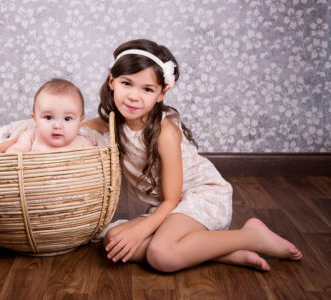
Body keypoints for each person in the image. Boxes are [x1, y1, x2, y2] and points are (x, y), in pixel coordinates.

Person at [82, 39, 302, 272]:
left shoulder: (165, 133)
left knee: (161, 255)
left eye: (147, 89)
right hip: (169, 208)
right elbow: (72, 127)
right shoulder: (111, 123)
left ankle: (250, 236)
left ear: (161, 93)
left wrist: (142, 228)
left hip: (200, 197)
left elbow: (172, 200)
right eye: (127, 83)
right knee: (114, 240)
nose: (134, 96)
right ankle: (220, 253)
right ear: (112, 81)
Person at [0, 78, 92, 154]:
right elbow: (13, 152)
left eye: (67, 119)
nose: (57, 126)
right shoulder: (31, 136)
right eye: (49, 117)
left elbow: (94, 165)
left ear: (80, 122)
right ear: (35, 119)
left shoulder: (82, 143)